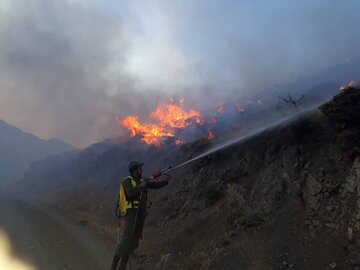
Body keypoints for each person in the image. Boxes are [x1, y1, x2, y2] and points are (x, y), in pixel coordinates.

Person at [110, 161, 171, 270]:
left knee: (133, 244)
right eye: (140, 168)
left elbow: (154, 185)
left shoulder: (141, 181)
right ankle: (113, 267)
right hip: (131, 214)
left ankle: (122, 267)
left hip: (140, 215)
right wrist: (141, 187)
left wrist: (166, 181)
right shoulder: (127, 182)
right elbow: (131, 193)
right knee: (125, 243)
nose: (142, 170)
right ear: (134, 170)